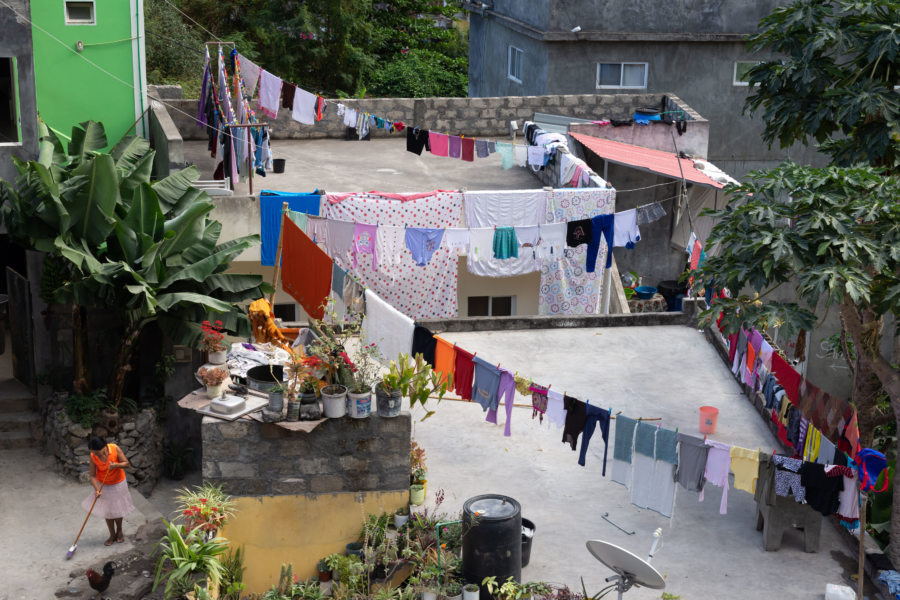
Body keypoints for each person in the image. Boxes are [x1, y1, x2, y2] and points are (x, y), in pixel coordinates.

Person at [81, 436, 135, 546]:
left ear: (105, 446)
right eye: (95, 453)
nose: (97, 455)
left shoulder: (114, 448)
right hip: (103, 485)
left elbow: (127, 464)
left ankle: (119, 531)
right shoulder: (93, 456)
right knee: (108, 511)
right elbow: (92, 476)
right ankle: (112, 534)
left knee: (118, 509)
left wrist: (116, 465)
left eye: (99, 453)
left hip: (118, 483)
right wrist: (97, 490)